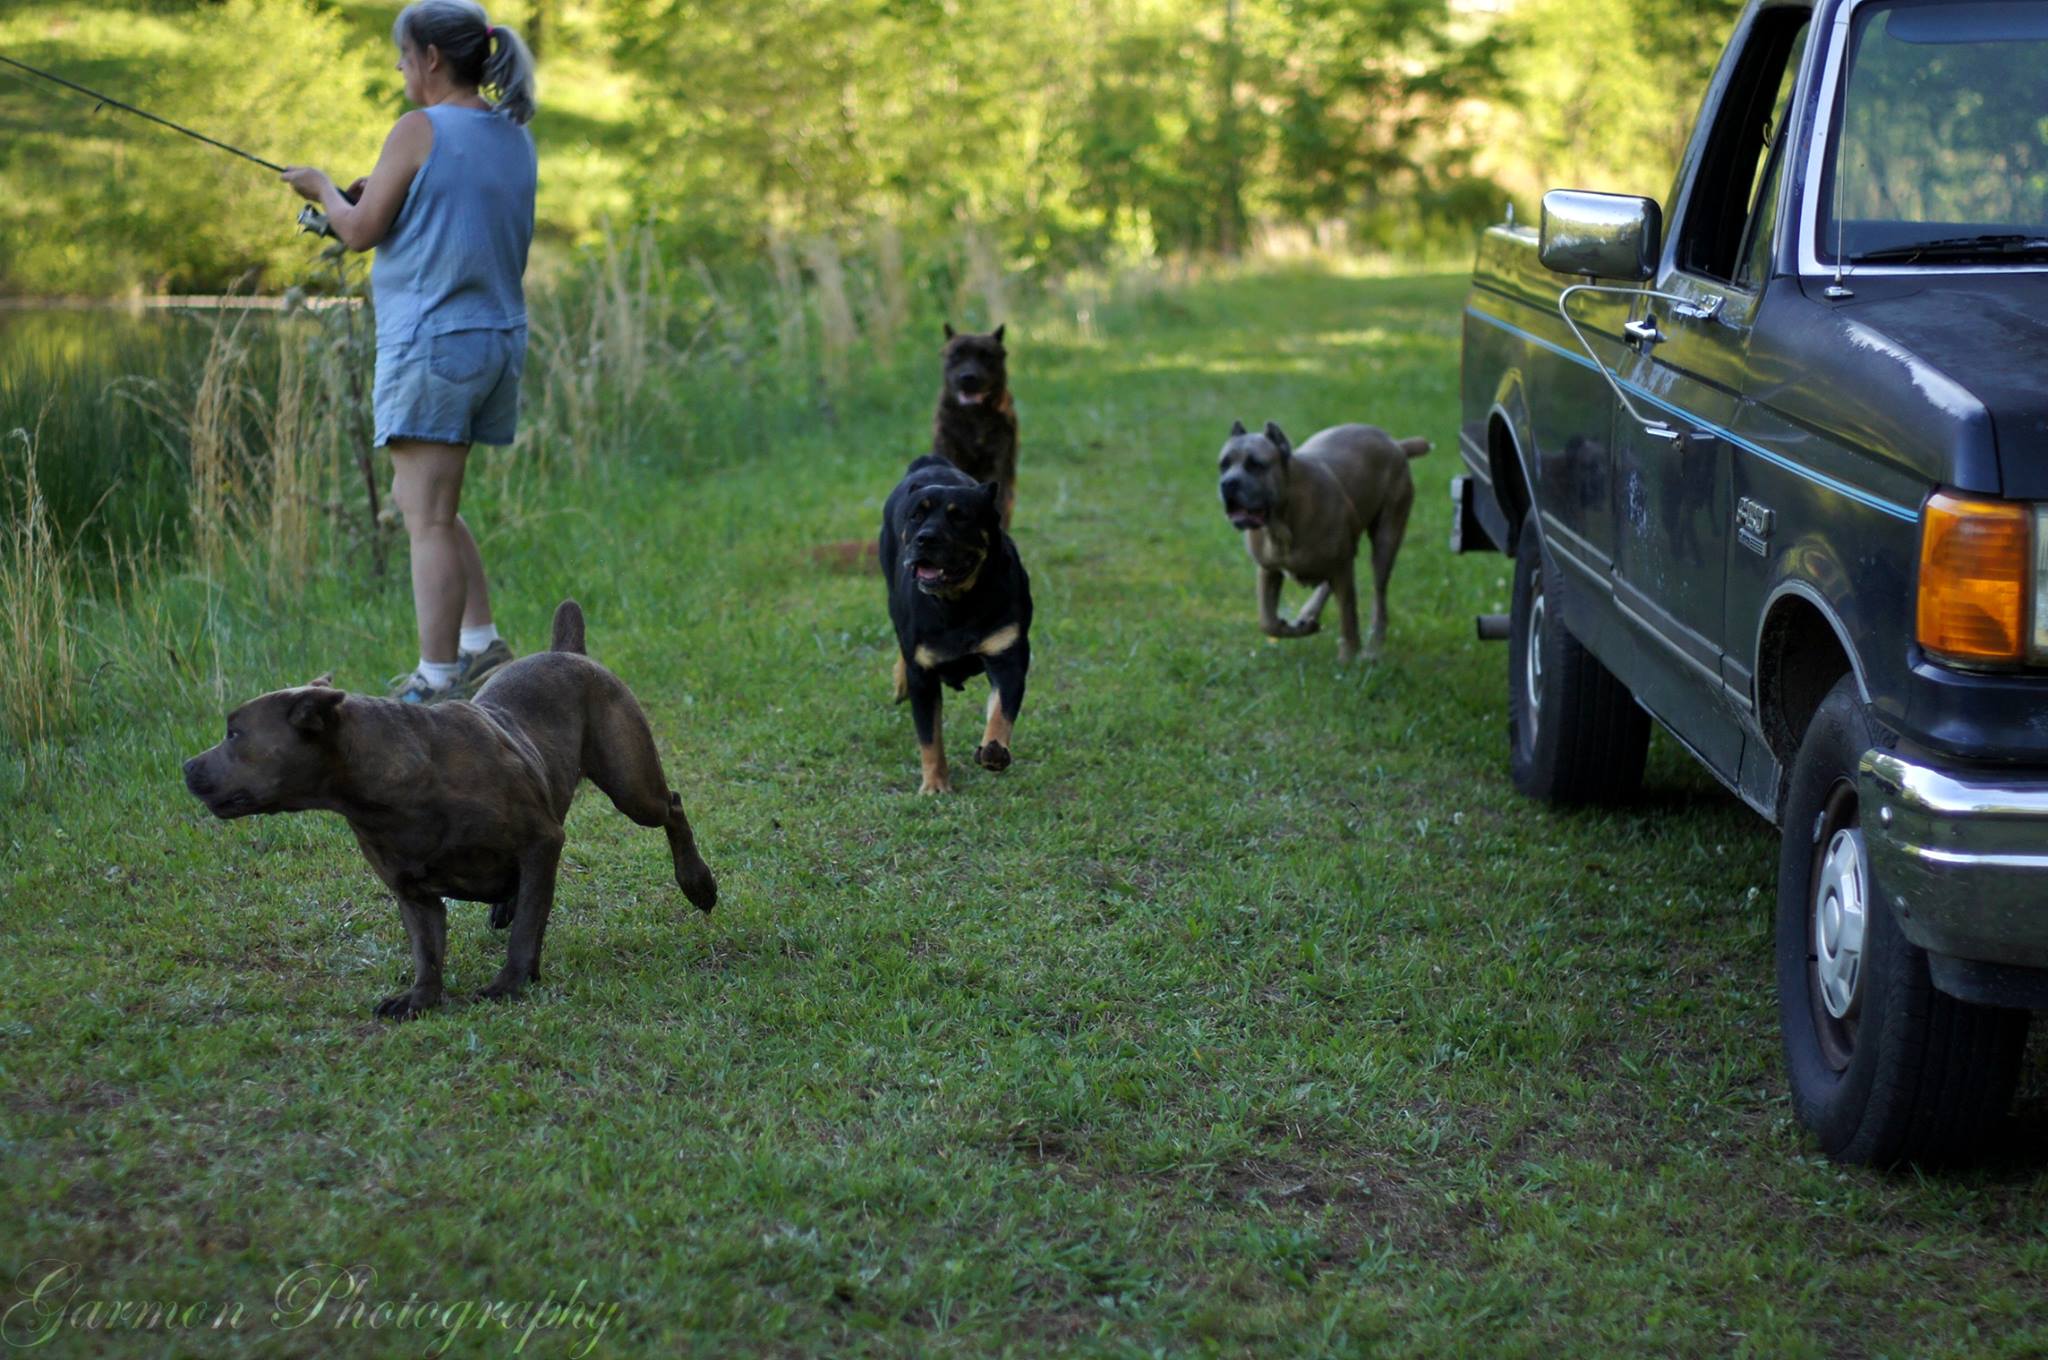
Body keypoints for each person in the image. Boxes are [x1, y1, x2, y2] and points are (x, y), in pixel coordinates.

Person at [282, 1, 537, 703]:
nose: (399, 68)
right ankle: (481, 644)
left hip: (433, 345)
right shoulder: (511, 132)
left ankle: (436, 678)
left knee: (424, 516)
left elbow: (359, 230)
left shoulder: (417, 127)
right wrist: (379, 201)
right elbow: (449, 217)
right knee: (434, 503)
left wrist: (322, 190)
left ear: (429, 57)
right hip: (496, 342)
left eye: (401, 56)